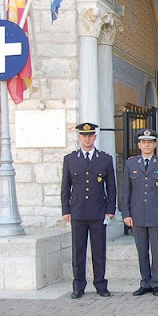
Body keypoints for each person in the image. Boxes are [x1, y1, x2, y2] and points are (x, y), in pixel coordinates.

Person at [61, 122, 116, 299]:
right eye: (84, 136)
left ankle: (100, 284)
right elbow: (65, 187)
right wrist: (66, 210)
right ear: (79, 138)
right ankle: (78, 285)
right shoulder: (70, 159)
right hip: (77, 212)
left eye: (90, 135)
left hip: (98, 211)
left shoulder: (105, 159)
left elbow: (111, 187)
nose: (87, 138)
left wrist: (110, 210)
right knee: (78, 251)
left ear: (95, 137)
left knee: (99, 250)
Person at [121, 129, 158, 297]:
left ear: (155, 144)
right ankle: (145, 282)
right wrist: (126, 213)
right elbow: (125, 191)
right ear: (139, 145)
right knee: (142, 250)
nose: (147, 145)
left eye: (150, 142)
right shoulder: (131, 164)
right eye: (144, 142)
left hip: (157, 214)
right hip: (137, 214)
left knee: (157, 250)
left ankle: (156, 283)